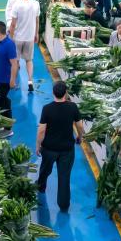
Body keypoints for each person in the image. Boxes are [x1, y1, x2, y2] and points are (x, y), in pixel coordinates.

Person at [36, 81, 83, 212]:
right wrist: (80, 137)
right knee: (64, 176)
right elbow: (79, 126)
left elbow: (41, 131)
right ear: (66, 93)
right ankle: (63, 204)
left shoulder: (47, 109)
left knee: (45, 169)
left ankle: (40, 186)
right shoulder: (72, 107)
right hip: (66, 150)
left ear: (53, 93)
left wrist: (38, 145)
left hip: (49, 148)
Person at [9, 0, 40, 92]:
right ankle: (30, 81)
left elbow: (13, 24)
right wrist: (36, 34)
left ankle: (15, 82)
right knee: (29, 60)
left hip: (18, 38)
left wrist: (11, 37)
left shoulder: (17, 5)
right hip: (29, 38)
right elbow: (37, 21)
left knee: (16, 61)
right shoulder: (36, 3)